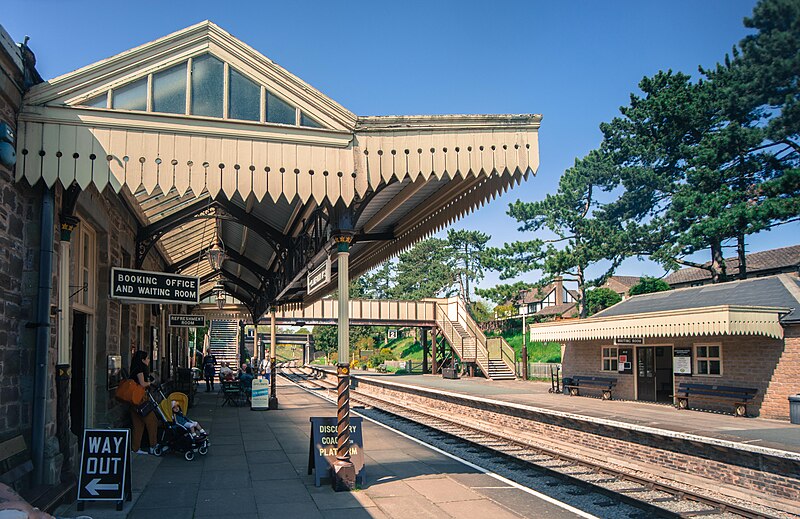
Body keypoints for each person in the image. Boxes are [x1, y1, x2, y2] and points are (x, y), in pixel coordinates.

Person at [129, 350, 158, 454]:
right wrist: (150, 382)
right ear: (142, 360)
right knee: (152, 421)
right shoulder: (140, 369)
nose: (149, 360)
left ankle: (135, 448)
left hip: (133, 401)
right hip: (140, 400)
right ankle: (153, 446)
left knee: (138, 424)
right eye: (147, 358)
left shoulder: (133, 368)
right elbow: (142, 383)